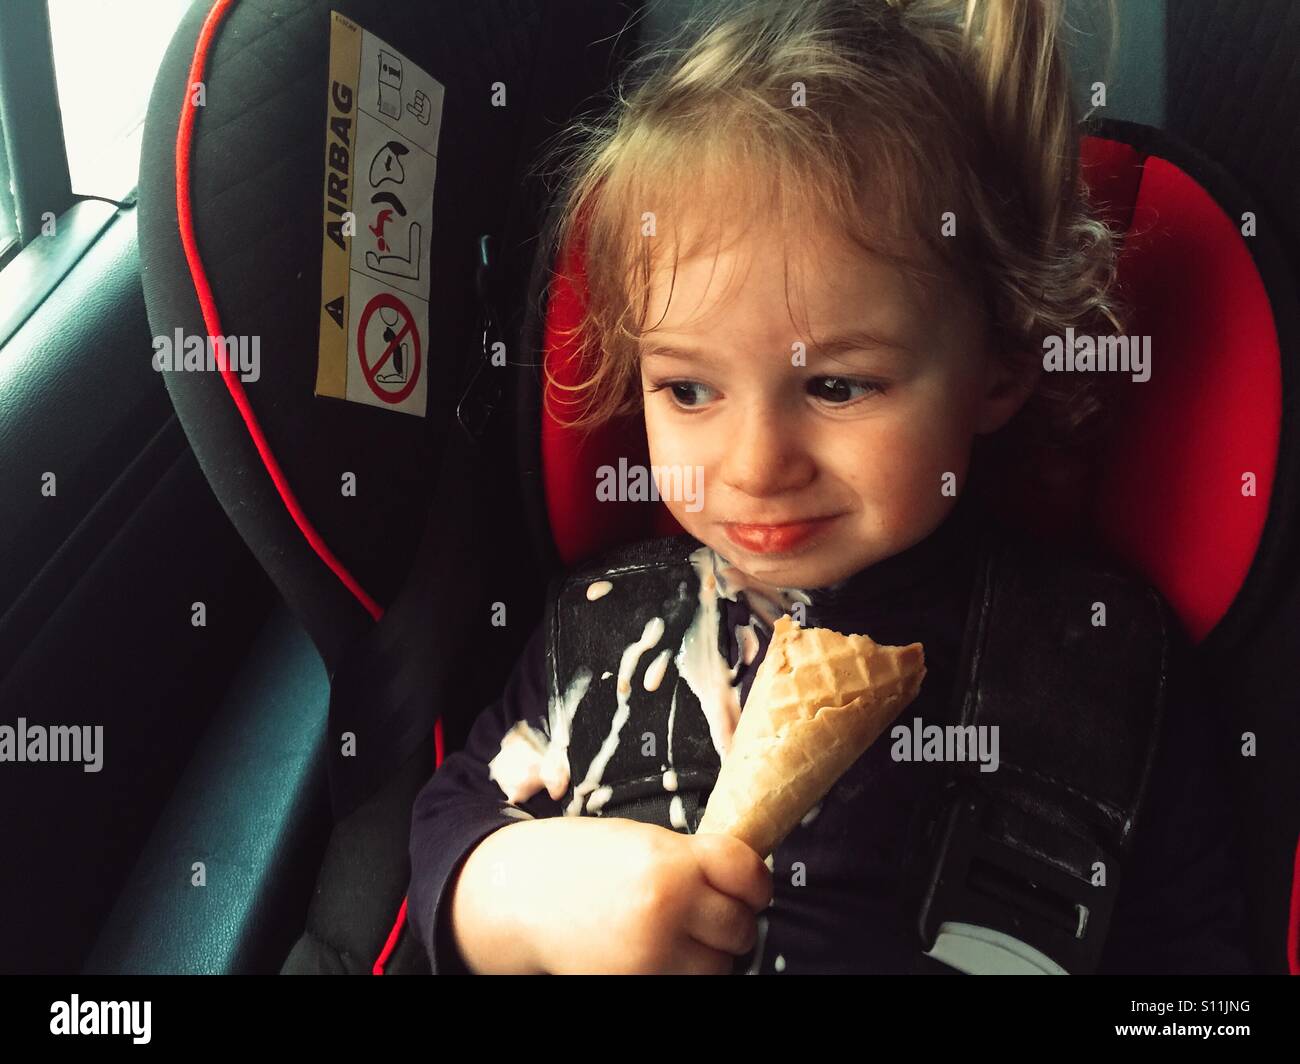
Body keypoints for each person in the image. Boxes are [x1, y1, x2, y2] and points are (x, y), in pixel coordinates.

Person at [406, 0, 1253, 975]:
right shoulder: (597, 625)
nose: (757, 464)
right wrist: (523, 895)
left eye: (836, 385)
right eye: (687, 388)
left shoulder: (1099, 659)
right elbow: (451, 815)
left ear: (998, 373)